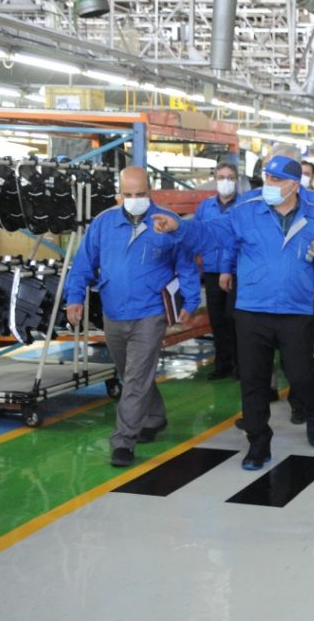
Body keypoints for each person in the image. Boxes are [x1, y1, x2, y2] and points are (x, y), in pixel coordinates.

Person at [153, 156, 314, 470]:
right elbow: (210, 233)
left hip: (295, 308)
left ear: (294, 186)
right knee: (252, 379)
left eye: (276, 180)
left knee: (300, 372)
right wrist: (179, 227)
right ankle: (258, 443)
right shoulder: (246, 211)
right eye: (267, 178)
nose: (269, 185)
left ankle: (313, 408)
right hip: (252, 308)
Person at [65, 166, 201, 468]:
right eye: (128, 194)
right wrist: (74, 297)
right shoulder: (103, 224)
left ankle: (123, 441)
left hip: (150, 312)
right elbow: (83, 263)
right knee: (131, 373)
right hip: (114, 311)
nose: (134, 199)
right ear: (119, 194)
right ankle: (155, 416)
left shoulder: (166, 222)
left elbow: (186, 264)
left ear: (150, 192)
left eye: (140, 194)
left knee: (137, 377)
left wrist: (191, 301)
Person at [195, 162, 241, 380]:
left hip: (236, 271)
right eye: (221, 177)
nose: (225, 182)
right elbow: (196, 234)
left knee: (235, 319)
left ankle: (240, 365)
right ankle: (222, 364)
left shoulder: (244, 206)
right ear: (215, 181)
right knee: (218, 320)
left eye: (230, 177)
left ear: (237, 180)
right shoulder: (205, 207)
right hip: (212, 270)